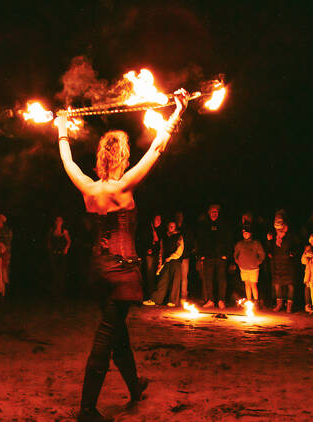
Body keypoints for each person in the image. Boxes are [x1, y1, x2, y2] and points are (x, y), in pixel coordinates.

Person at [55, 88, 188, 421]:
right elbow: (158, 148)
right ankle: (86, 408)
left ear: (101, 158)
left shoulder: (88, 186)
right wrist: (179, 112)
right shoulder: (123, 186)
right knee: (107, 335)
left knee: (118, 333)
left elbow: (68, 161)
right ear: (122, 158)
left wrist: (61, 129)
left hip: (98, 271)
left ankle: (134, 387)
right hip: (122, 273)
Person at [195, 204, 232, 309]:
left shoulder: (224, 225)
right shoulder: (204, 225)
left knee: (221, 279)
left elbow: (228, 240)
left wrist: (226, 254)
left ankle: (221, 300)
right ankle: (210, 300)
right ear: (209, 213)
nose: (214, 214)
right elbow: (200, 240)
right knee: (208, 279)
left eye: (216, 212)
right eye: (212, 212)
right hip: (208, 256)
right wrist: (201, 255)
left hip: (221, 256)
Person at [145, 220, 184, 307]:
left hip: (175, 260)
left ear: (175, 227)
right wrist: (161, 261)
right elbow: (161, 250)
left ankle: (173, 301)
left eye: (173, 226)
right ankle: (156, 299)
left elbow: (180, 249)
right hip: (166, 262)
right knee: (163, 280)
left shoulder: (178, 236)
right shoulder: (165, 237)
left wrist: (171, 257)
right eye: (170, 226)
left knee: (175, 281)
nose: (171, 228)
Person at [268, 216, 299, 313]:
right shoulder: (273, 237)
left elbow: (296, 247)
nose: (279, 230)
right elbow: (270, 250)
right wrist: (269, 242)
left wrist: (292, 253)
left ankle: (289, 306)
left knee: (290, 285)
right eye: (277, 229)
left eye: (280, 228)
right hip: (278, 264)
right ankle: (279, 304)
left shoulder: (290, 236)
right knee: (278, 285)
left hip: (288, 264)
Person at [234, 225, 265, 305]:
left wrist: (257, 262)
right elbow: (235, 254)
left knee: (253, 285)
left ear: (250, 234)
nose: (245, 235)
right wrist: (238, 262)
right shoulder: (240, 244)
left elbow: (262, 254)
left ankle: (256, 301)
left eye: (247, 233)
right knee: (247, 285)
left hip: (253, 268)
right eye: (244, 233)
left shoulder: (255, 243)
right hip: (243, 268)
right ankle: (249, 300)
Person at [140, 214, 164, 301]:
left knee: (156, 274)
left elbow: (160, 243)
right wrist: (147, 249)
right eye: (156, 219)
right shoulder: (147, 230)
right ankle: (149, 295)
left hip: (158, 255)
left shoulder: (161, 230)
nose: (158, 221)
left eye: (159, 219)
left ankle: (155, 295)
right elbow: (143, 241)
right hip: (150, 255)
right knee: (149, 275)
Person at [47, 216, 71, 297]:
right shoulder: (52, 230)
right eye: (57, 220)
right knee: (54, 271)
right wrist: (50, 250)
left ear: (62, 222)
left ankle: (61, 291)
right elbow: (49, 241)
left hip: (62, 253)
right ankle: (54, 291)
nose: (58, 222)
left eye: (60, 220)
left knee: (61, 271)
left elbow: (69, 241)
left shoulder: (64, 231)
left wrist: (66, 249)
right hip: (54, 253)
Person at [174, 211, 193, 301]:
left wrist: (187, 253)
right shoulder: (174, 228)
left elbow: (190, 242)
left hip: (185, 256)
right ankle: (175, 297)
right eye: (178, 216)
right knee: (176, 278)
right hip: (176, 257)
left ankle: (183, 296)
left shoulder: (187, 229)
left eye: (181, 216)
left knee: (184, 277)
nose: (179, 218)